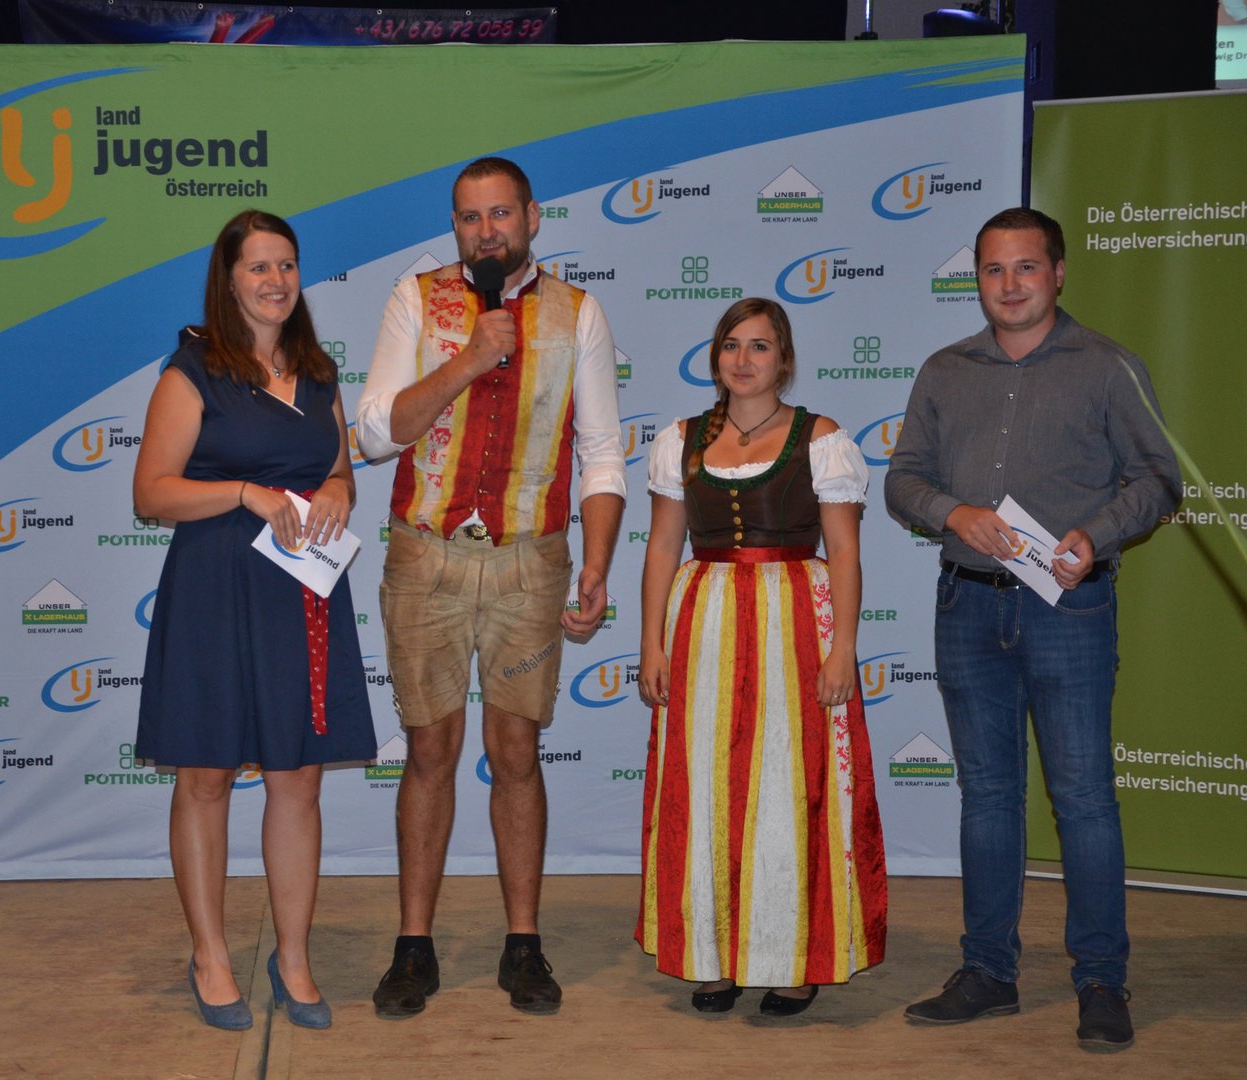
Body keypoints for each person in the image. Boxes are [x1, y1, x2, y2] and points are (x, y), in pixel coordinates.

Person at [885, 207, 1181, 1052]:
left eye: (1025, 267)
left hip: (1069, 608)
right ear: (976, 279)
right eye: (992, 269)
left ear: (1058, 272)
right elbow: (903, 481)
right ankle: (988, 971)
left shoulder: (1109, 367)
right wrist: (954, 513)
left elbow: (1159, 479)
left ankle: (1102, 980)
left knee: (1083, 797)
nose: (1009, 285)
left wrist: (1098, 532)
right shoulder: (945, 370)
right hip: (967, 604)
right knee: (987, 795)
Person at [354, 157, 626, 1017]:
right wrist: (471, 357)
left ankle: (523, 944)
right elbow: (377, 434)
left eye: (501, 214)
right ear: (455, 226)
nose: (486, 232)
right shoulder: (417, 299)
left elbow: (602, 453)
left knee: (516, 752)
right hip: (425, 557)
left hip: (529, 561)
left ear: (533, 218)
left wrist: (597, 560)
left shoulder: (579, 313)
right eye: (470, 218)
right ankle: (413, 947)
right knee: (429, 751)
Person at [133, 209, 377, 1032]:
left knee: (296, 777)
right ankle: (209, 955)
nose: (276, 281)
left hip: (301, 593)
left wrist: (337, 488)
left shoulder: (319, 373)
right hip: (213, 587)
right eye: (259, 267)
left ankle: (293, 958)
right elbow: (151, 493)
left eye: (287, 265)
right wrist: (243, 493)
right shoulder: (193, 371)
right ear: (229, 279)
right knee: (204, 776)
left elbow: (339, 471)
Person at [634, 297, 888, 1017]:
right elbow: (662, 546)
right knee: (706, 785)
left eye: (759, 346)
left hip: (794, 619)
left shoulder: (821, 438)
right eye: (731, 345)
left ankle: (792, 959)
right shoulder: (681, 440)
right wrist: (651, 641)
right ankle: (712, 956)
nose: (742, 360)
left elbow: (844, 550)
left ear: (784, 360)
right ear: (715, 356)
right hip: (705, 620)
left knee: (787, 782)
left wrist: (843, 647)